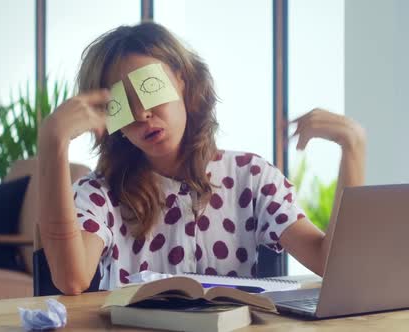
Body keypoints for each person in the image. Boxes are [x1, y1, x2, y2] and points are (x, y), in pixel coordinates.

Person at [37, 22, 366, 295]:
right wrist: (54, 143)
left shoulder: (251, 176)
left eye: (150, 88)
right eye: (121, 104)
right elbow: (72, 280)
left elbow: (333, 266)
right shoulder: (102, 192)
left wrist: (353, 147)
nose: (142, 113)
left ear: (181, 80)